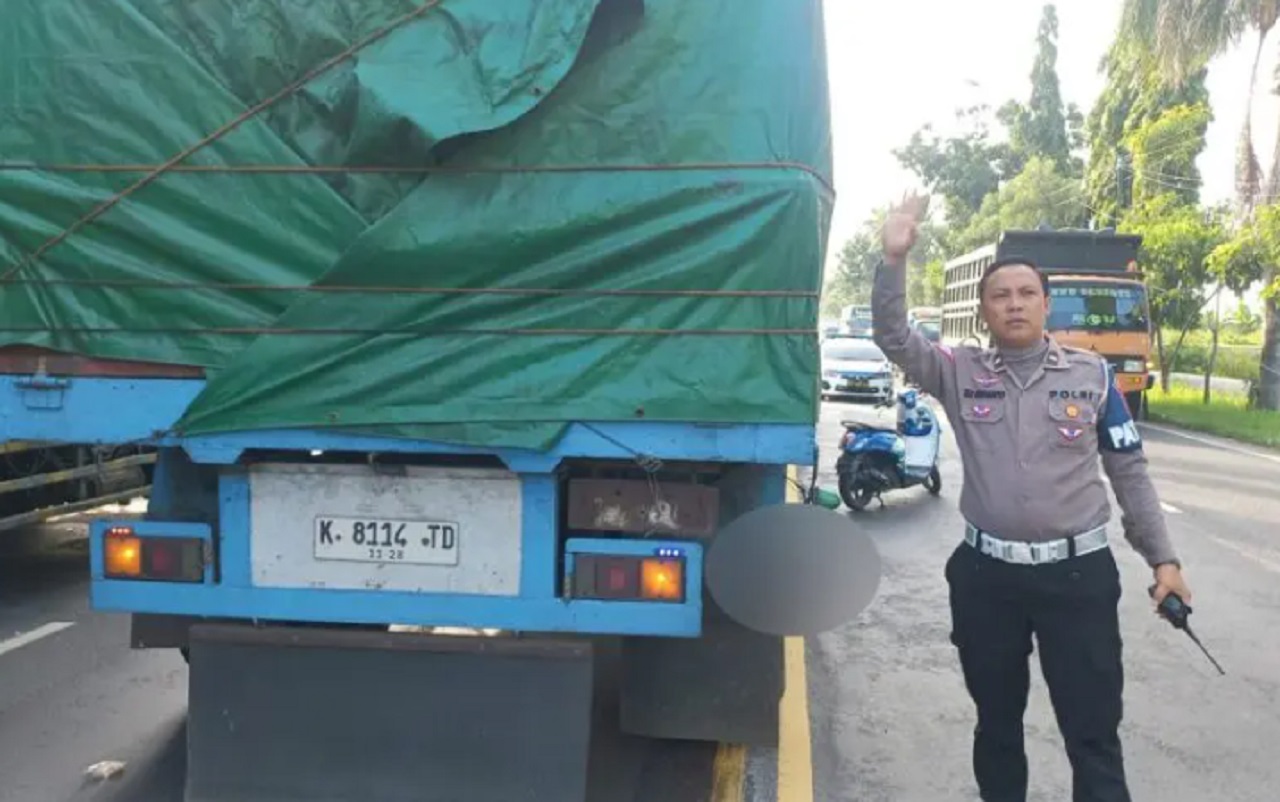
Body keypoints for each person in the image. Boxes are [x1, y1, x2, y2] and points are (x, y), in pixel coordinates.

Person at [871, 194, 1192, 802]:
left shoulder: (1092, 377)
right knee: (996, 725)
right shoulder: (958, 371)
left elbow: (1129, 472)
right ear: (985, 311)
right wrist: (893, 259)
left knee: (1093, 732)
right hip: (987, 578)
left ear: (1046, 305)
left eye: (1026, 294)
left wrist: (1164, 561)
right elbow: (892, 335)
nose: (1014, 303)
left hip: (1078, 578)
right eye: (1001, 295)